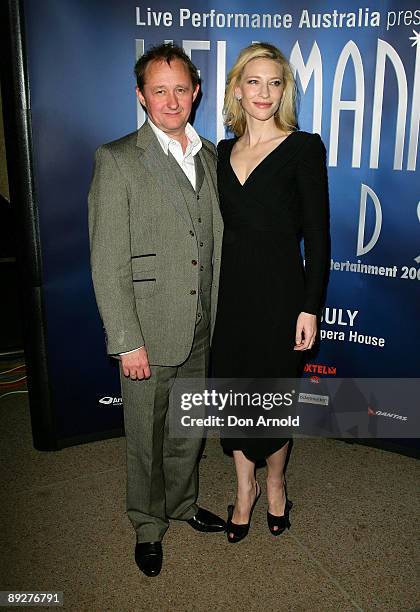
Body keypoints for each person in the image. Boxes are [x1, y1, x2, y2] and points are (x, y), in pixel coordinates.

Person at [88, 43, 225, 577]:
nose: (172, 101)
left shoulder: (212, 156)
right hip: (147, 328)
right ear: (142, 95)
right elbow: (107, 261)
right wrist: (126, 339)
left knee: (188, 426)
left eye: (181, 89)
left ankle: (183, 504)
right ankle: (148, 523)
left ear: (195, 92)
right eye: (159, 90)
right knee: (145, 436)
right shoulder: (117, 159)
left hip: (201, 325)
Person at [211, 43, 329, 542]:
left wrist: (310, 306)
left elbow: (319, 237)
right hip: (229, 296)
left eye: (274, 83)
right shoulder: (219, 151)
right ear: (237, 88)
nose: (264, 92)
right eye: (253, 82)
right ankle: (245, 490)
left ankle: (276, 483)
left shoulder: (304, 148)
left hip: (281, 293)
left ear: (285, 91)